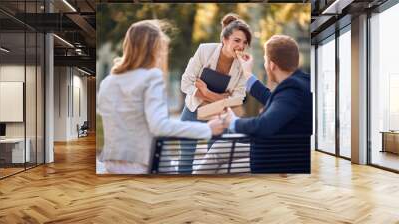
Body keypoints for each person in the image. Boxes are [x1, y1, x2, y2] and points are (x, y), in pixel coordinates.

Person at [97, 20, 225, 174]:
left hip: (112, 166)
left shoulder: (107, 82)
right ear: (154, 49)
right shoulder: (151, 77)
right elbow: (159, 126)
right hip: (146, 166)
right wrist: (207, 129)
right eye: (161, 48)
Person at [195, 34, 312, 174]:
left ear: (272, 65)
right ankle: (195, 188)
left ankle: (196, 190)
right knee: (219, 148)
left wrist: (232, 122)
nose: (265, 65)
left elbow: (264, 126)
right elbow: (273, 100)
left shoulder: (292, 89)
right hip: (275, 149)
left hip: (275, 159)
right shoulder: (302, 82)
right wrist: (247, 74)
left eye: (265, 61)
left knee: (220, 170)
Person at [178, 13, 252, 173]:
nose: (241, 46)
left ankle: (210, 194)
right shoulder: (204, 51)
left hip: (219, 116)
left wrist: (205, 91)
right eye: (237, 41)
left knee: (215, 161)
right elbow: (185, 83)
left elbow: (238, 100)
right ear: (225, 39)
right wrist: (222, 98)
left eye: (245, 43)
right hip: (193, 110)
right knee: (185, 159)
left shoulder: (242, 66)